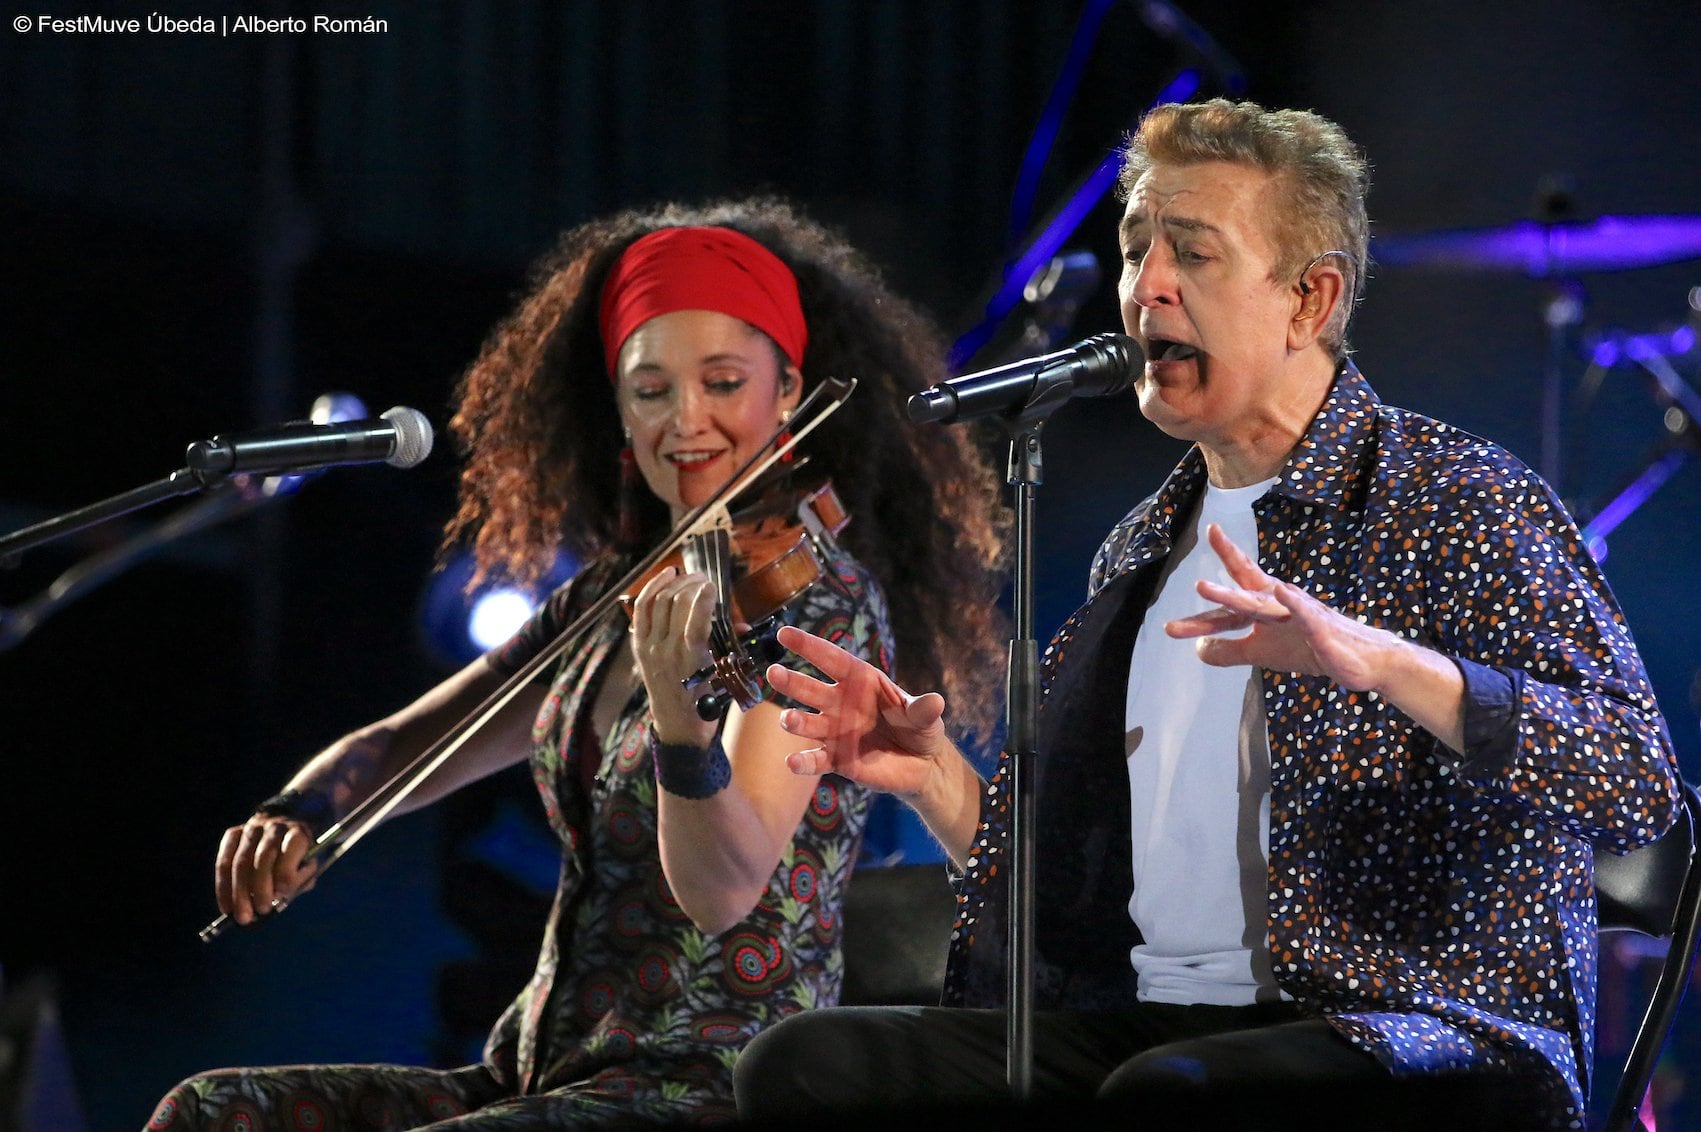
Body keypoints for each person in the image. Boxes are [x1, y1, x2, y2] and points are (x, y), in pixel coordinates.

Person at [731, 99, 1683, 1131]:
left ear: (1309, 299)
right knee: (807, 1065)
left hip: (1419, 1027)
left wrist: (1383, 663)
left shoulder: (1457, 500)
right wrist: (935, 781)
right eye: (1138, 248)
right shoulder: (1140, 544)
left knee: (1166, 1097)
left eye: (1193, 252)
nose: (1146, 288)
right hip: (1163, 1023)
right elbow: (1070, 911)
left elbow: (1635, 782)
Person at [145, 195, 1009, 1130]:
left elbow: (725, 888)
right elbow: (406, 743)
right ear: (619, 410)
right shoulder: (607, 598)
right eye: (651, 389)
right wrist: (299, 811)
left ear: (789, 391)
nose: (687, 420)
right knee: (212, 1113)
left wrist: (683, 730)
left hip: (708, 1085)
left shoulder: (816, 605)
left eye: (723, 382)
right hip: (540, 1074)